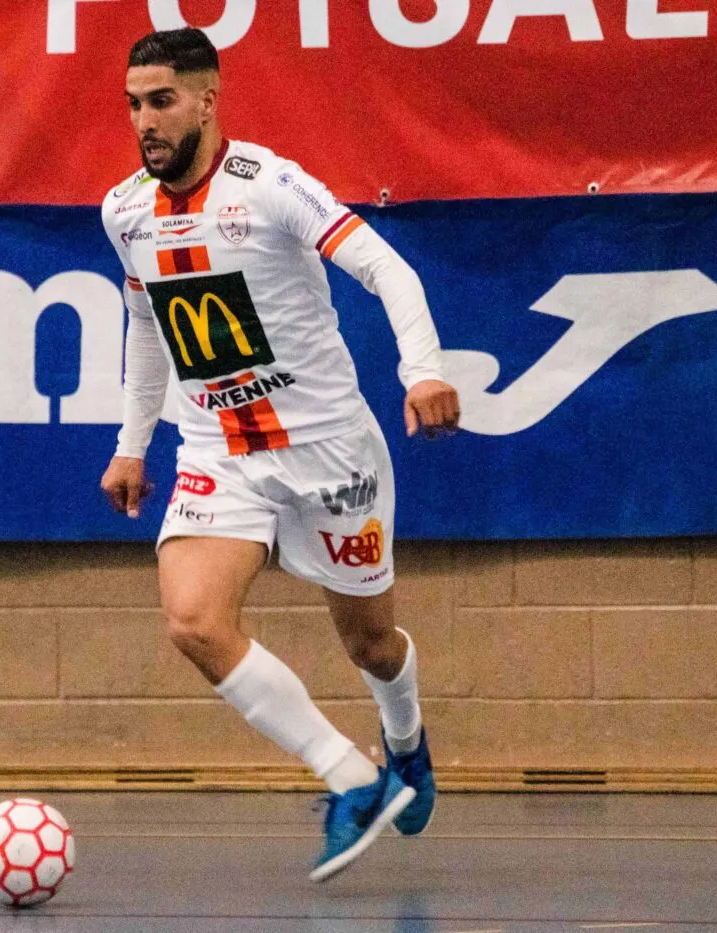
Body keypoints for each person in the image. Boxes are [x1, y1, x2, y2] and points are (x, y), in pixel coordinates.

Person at [99, 27, 460, 882]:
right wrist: (131, 444)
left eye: (162, 101)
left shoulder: (270, 186)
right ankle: (352, 778)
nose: (145, 121)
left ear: (207, 99)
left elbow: (388, 269)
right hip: (218, 452)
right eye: (134, 105)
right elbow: (146, 326)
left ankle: (405, 740)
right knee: (193, 619)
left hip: (329, 450)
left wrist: (423, 370)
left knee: (371, 645)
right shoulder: (123, 212)